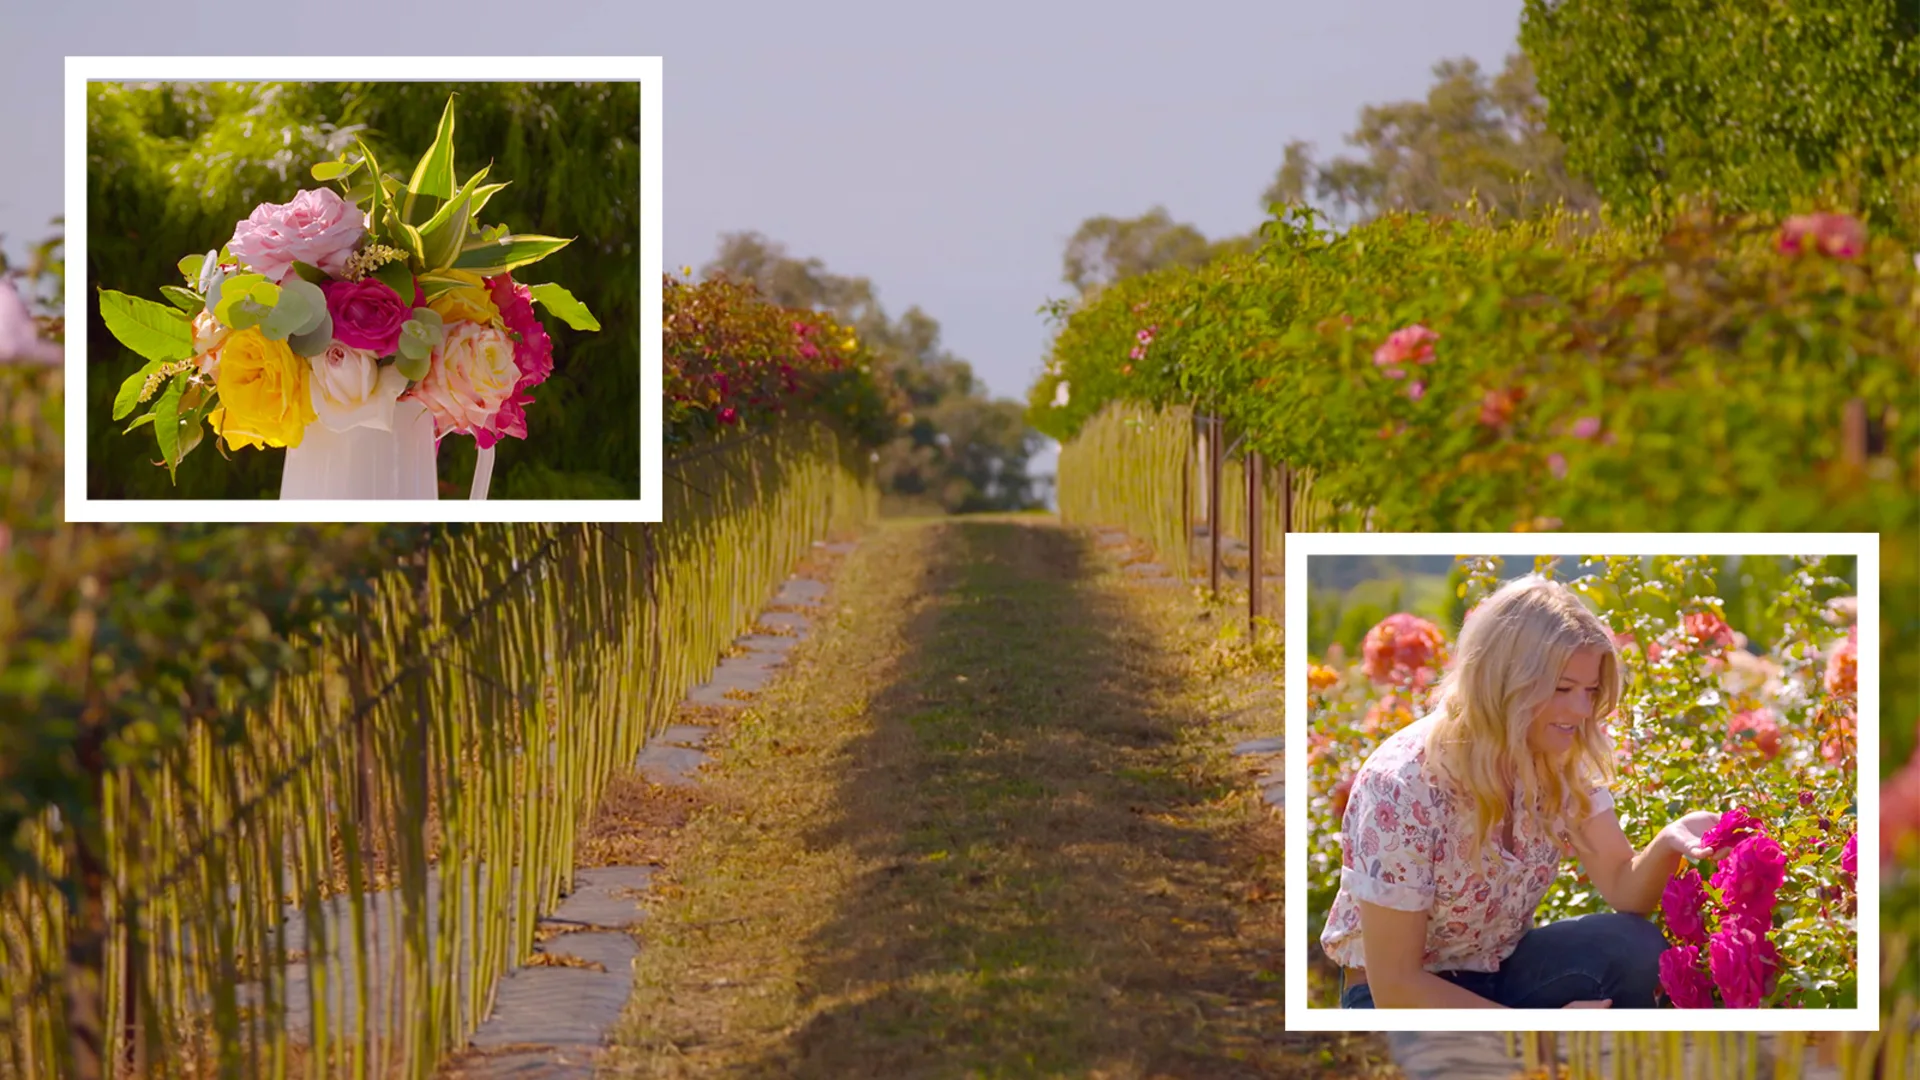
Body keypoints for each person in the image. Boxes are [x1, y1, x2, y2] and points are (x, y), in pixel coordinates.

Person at [1320, 574, 1719, 1008]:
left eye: (1589, 691)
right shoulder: (1403, 785)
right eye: (1562, 689)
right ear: (1503, 682)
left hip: (1497, 971)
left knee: (1633, 948)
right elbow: (1396, 987)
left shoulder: (1556, 753)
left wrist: (1669, 842)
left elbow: (1623, 887)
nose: (1581, 710)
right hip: (1399, 997)